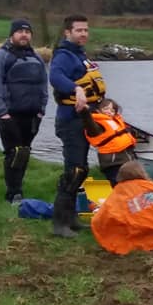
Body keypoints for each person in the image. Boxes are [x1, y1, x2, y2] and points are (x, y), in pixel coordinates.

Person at [49, 14, 106, 238]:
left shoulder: (80, 56)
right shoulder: (63, 56)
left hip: (86, 118)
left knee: (81, 170)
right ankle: (60, 224)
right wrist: (77, 89)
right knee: (75, 170)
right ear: (67, 33)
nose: (83, 34)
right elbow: (55, 77)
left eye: (86, 30)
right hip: (70, 120)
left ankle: (71, 218)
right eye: (79, 30)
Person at [0, 18, 48, 204]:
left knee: (25, 152)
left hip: (33, 115)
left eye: (27, 32)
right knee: (14, 152)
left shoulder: (36, 57)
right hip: (9, 115)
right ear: (12, 34)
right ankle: (13, 193)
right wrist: (1, 113)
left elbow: (44, 85)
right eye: (20, 31)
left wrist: (41, 111)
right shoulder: (0, 57)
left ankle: (18, 188)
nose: (24, 34)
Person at [80, 97, 137, 186]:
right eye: (106, 109)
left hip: (127, 161)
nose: (109, 112)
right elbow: (89, 123)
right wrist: (85, 112)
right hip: (113, 163)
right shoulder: (97, 127)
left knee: (133, 185)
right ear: (98, 111)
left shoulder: (115, 122)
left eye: (112, 110)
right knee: (120, 187)